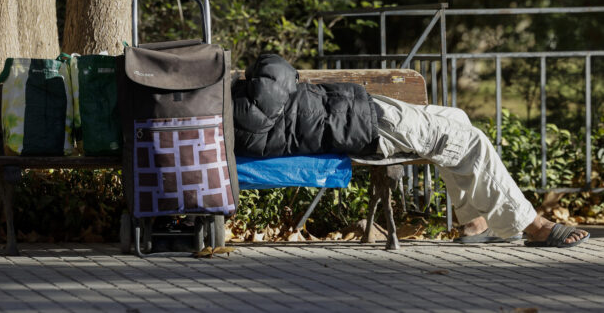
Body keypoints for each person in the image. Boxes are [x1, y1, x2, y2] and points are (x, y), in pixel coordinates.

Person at [231, 54, 589, 248]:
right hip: (369, 126)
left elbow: (277, 80)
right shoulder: (246, 113)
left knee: (456, 118)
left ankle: (473, 223)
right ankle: (532, 225)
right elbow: (276, 68)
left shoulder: (241, 109)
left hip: (361, 114)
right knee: (470, 140)